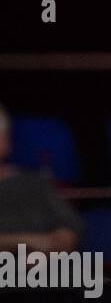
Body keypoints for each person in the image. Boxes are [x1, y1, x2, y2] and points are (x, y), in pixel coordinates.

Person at [0, 102, 84, 254]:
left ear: (5, 142)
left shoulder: (36, 183)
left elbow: (70, 225)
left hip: (49, 269)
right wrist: (26, 242)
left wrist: (63, 239)